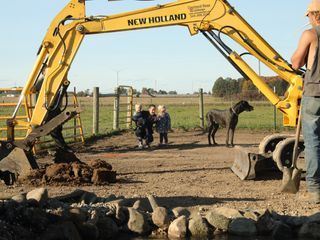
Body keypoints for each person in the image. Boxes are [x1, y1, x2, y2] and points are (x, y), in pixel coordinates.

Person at [291, 0, 320, 203]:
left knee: (313, 142)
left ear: (315, 14)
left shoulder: (311, 34)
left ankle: (315, 188)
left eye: (309, 16)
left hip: (315, 93)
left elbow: (296, 62)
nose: (308, 19)